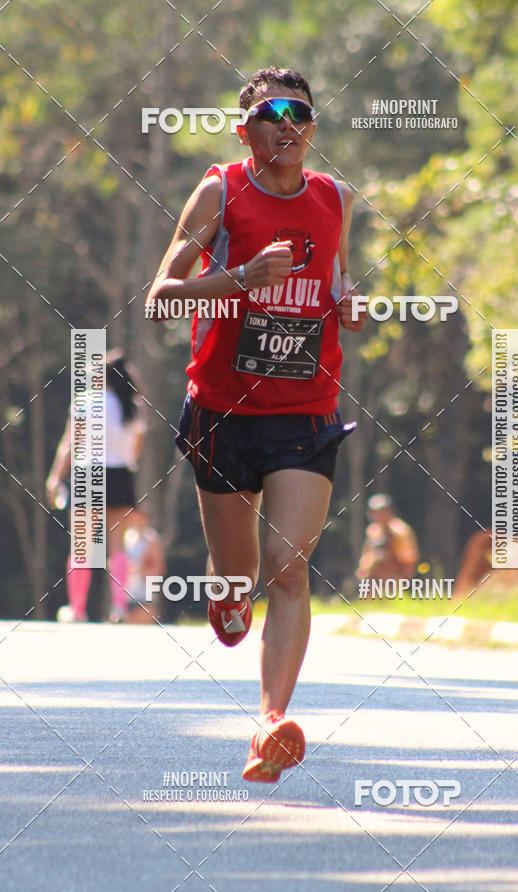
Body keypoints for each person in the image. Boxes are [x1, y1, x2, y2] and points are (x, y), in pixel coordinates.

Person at [146, 66, 367, 782]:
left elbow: (336, 280)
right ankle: (225, 592)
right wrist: (239, 278)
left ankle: (270, 726)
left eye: (300, 114)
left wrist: (348, 302)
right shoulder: (221, 191)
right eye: (272, 114)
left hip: (306, 412)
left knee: (290, 566)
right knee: (240, 575)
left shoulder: (334, 198)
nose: (288, 125)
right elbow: (160, 298)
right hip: (222, 412)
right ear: (246, 130)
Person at [46, 352, 146, 623]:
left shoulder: (85, 403)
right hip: (121, 477)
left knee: (81, 545)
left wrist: (55, 478)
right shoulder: (133, 406)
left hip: (88, 473)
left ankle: (77, 610)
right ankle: (119, 608)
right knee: (118, 547)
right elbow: (135, 452)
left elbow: (69, 445)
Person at [356, 494, 419, 584]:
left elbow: (409, 560)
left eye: (381, 512)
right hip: (373, 580)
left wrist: (404, 580)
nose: (377, 515)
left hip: (394, 578)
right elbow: (366, 557)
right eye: (374, 512)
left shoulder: (401, 531)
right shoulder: (372, 531)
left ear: (389, 511)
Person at [123, 510, 166, 624]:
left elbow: (158, 564)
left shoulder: (152, 538)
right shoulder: (127, 536)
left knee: (144, 623)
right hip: (129, 588)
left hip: (146, 588)